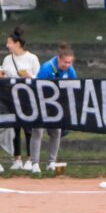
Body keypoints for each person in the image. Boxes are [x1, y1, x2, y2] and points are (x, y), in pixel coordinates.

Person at [0, 28, 40, 170]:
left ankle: (30, 158)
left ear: (17, 43)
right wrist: (1, 78)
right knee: (15, 128)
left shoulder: (32, 58)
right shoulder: (7, 59)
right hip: (12, 97)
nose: (7, 45)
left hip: (27, 97)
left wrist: (29, 76)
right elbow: (5, 77)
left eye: (9, 42)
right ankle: (17, 158)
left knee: (28, 128)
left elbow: (39, 77)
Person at [29, 43, 76, 172]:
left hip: (57, 106)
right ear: (58, 59)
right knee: (38, 132)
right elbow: (36, 88)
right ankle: (35, 164)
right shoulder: (46, 68)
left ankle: (51, 162)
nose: (67, 65)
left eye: (69, 63)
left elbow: (74, 88)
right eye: (65, 62)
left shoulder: (70, 71)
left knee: (56, 132)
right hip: (41, 104)